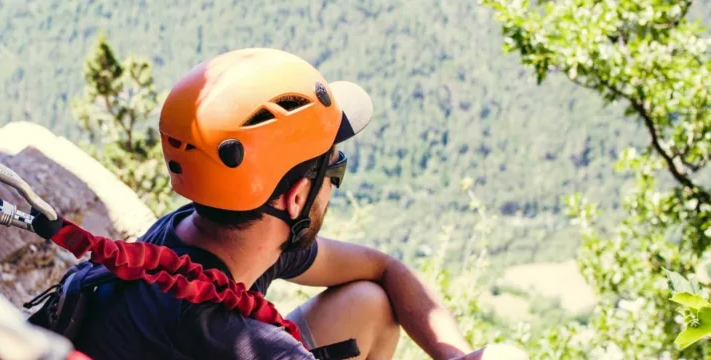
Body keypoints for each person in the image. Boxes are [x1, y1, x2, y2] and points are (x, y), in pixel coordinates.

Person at [69, 47, 529, 360]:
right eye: (335, 171)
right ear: (293, 199)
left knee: (369, 303)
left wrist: (453, 354)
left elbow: (383, 269)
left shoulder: (199, 235)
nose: (334, 185)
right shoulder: (242, 339)